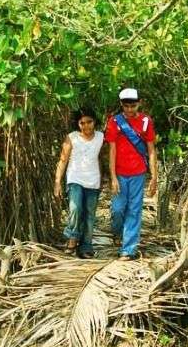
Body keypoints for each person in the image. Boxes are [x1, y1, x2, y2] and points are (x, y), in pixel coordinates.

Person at [105, 88, 157, 261]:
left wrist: (154, 176)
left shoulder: (146, 122)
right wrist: (112, 177)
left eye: (133, 105)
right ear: (121, 105)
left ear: (139, 103)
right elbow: (111, 150)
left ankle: (128, 250)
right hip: (119, 173)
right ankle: (117, 233)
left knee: (134, 211)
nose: (129, 109)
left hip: (138, 174)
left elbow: (151, 150)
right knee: (118, 209)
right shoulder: (114, 122)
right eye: (126, 106)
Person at [54, 108, 104, 258]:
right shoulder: (72, 137)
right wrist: (57, 181)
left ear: (95, 122)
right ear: (78, 124)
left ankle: (86, 247)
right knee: (75, 207)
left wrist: (106, 178)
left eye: (89, 122)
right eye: (82, 123)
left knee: (89, 216)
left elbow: (105, 158)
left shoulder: (101, 137)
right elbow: (62, 160)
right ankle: (73, 236)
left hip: (93, 180)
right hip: (75, 178)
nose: (86, 126)